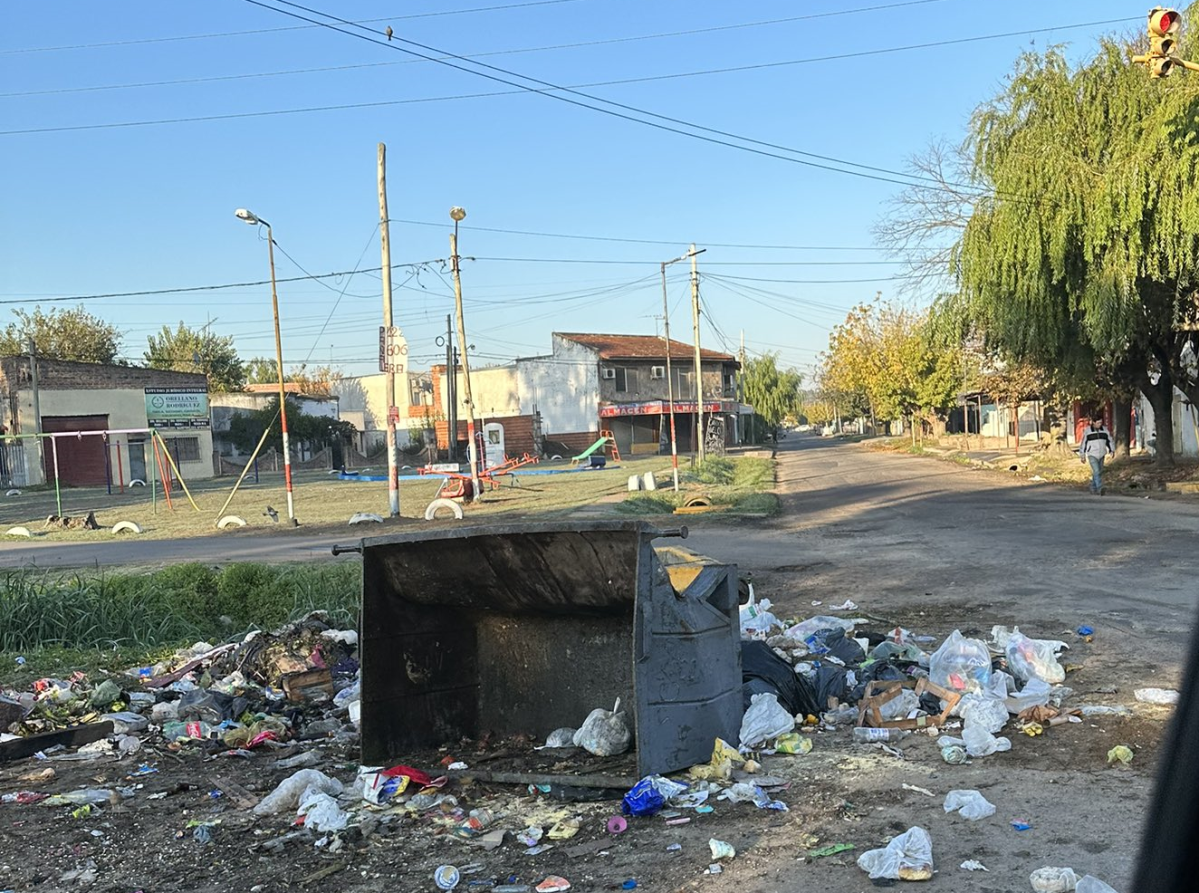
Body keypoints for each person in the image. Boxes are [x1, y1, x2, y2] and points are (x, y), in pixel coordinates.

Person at [1079, 412, 1115, 495]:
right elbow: (1083, 443)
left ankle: (1093, 487)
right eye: (1098, 423)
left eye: (1101, 422)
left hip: (1102, 454)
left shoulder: (1105, 430)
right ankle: (1100, 488)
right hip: (1092, 454)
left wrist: (1112, 450)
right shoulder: (1088, 431)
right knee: (1096, 471)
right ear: (1094, 422)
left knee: (1098, 472)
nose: (1100, 424)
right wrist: (1082, 455)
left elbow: (1109, 441)